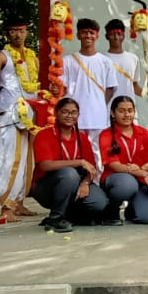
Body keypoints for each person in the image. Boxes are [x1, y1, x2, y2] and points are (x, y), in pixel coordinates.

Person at [0, 21, 41, 223]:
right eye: (13, 31)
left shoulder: (33, 57)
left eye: (21, 30)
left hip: (30, 114)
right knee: (10, 160)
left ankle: (19, 202)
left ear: (26, 32)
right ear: (7, 34)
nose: (18, 34)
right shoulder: (1, 57)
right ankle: (6, 207)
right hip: (10, 114)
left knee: (28, 161)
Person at [32, 98, 109, 233]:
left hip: (77, 182)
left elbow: (91, 167)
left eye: (74, 113)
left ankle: (69, 215)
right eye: (65, 112)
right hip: (47, 186)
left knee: (99, 203)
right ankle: (55, 219)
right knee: (69, 174)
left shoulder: (82, 137)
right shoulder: (45, 134)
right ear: (56, 113)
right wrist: (79, 162)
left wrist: (85, 183)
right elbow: (45, 165)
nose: (69, 116)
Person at [63, 18, 120, 167]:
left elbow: (110, 88)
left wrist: (98, 104)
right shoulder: (68, 60)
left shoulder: (105, 61)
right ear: (78, 35)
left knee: (98, 154)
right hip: (74, 117)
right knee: (75, 152)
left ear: (97, 35)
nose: (88, 36)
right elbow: (63, 88)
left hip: (98, 116)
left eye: (91, 32)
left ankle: (98, 180)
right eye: (84, 32)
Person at [99, 96, 148, 225]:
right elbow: (115, 165)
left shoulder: (143, 132)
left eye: (130, 110)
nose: (127, 114)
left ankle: (132, 208)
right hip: (117, 179)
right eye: (121, 111)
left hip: (140, 179)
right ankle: (111, 209)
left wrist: (140, 170)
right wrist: (142, 173)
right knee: (127, 183)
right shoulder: (106, 134)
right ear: (113, 113)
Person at [103, 19, 147, 102]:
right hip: (108, 107)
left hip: (129, 107)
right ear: (107, 36)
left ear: (123, 36)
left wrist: (147, 94)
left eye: (119, 34)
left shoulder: (133, 58)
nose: (116, 37)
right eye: (112, 34)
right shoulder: (101, 59)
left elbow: (134, 86)